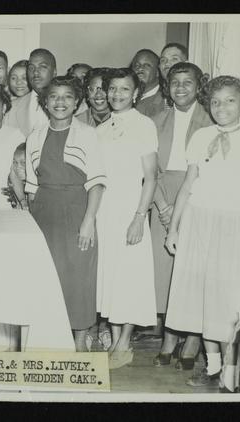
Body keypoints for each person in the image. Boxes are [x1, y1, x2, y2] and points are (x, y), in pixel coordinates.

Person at [164, 76, 240, 389]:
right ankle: (213, 367)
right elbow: (188, 185)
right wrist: (174, 228)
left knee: (226, 298)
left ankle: (230, 374)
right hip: (197, 220)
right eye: (215, 102)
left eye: (230, 100)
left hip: (231, 222)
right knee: (202, 296)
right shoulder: (201, 135)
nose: (222, 107)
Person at [26, 76, 107, 352]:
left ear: (76, 103)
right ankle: (50, 338)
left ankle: (80, 341)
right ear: (45, 102)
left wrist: (89, 221)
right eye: (54, 97)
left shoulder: (87, 134)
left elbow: (97, 183)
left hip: (77, 209)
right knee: (46, 275)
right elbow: (31, 188)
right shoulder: (35, 136)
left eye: (67, 97)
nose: (60, 102)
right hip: (44, 212)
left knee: (79, 275)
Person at [150, 62, 213, 370]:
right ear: (167, 86)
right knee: (164, 272)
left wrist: (182, 206)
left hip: (197, 196)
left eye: (188, 82)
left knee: (192, 271)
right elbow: (149, 170)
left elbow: (207, 174)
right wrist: (163, 206)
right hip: (160, 193)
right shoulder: (155, 120)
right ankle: (169, 336)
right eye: (175, 82)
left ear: (199, 86)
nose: (181, 88)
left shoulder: (210, 120)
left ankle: (192, 339)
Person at [95, 68, 158, 368]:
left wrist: (139, 217)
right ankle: (115, 336)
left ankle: (124, 341)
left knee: (131, 275)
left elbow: (151, 177)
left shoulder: (144, 125)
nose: (117, 94)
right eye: (112, 88)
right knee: (111, 275)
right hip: (105, 211)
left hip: (131, 209)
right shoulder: (101, 129)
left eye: (124, 89)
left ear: (135, 94)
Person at [4, 48, 56, 137]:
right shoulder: (11, 108)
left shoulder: (64, 105)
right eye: (31, 68)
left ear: (54, 72)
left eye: (42, 67)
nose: (35, 72)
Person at [131, 49, 166, 119]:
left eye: (147, 65)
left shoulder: (165, 102)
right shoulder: (125, 96)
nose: (140, 68)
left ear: (158, 72)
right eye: (136, 65)